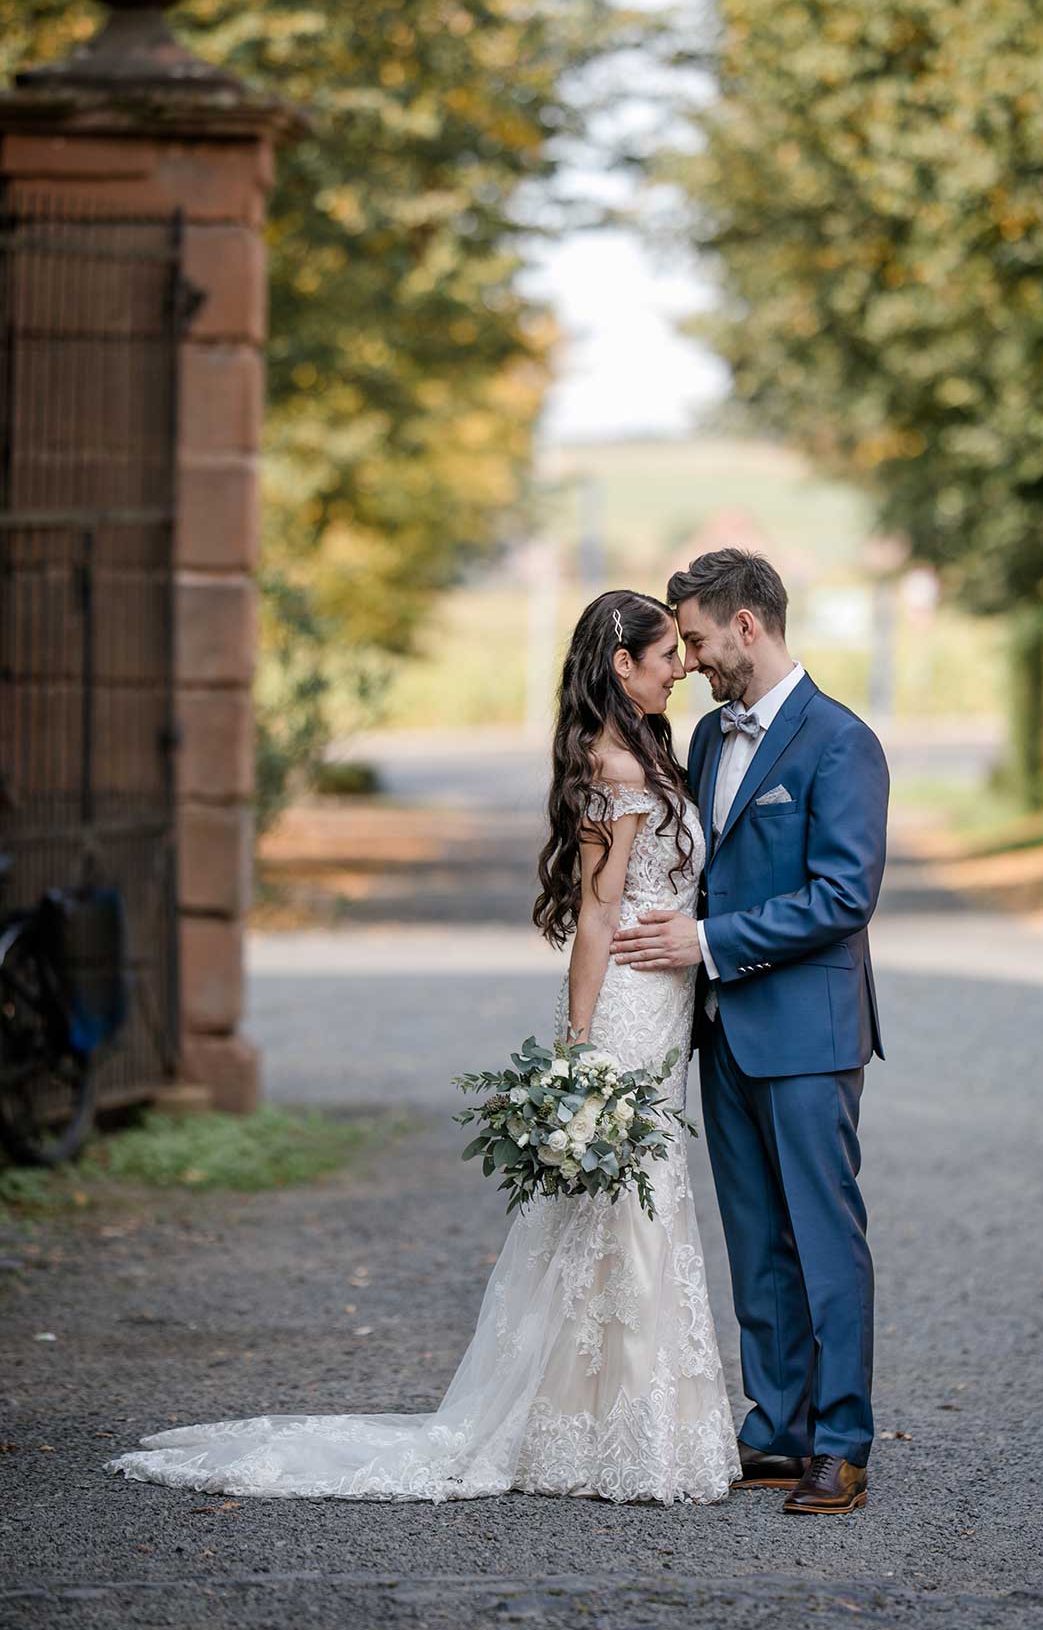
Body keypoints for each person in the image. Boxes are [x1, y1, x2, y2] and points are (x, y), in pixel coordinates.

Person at [104, 589, 741, 1506]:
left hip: (665, 998)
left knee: (631, 1207)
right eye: (666, 655)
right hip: (631, 1009)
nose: (681, 667)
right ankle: (612, 1434)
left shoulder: (647, 748)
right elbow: (597, 917)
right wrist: (576, 1046)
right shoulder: (620, 767)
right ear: (621, 665)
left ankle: (611, 1421)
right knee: (625, 1206)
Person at [612, 549, 889, 1514]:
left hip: (808, 1032)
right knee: (754, 1239)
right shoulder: (702, 739)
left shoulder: (838, 741)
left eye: (693, 639)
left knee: (823, 1234)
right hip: (722, 1031)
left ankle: (842, 1443)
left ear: (746, 625)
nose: (685, 660)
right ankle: (775, 1427)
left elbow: (844, 896)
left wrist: (708, 941)